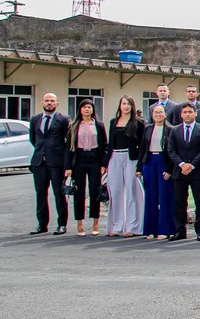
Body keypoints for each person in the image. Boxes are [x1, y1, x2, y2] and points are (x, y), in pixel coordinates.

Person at [166, 103, 200, 242]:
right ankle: (180, 230)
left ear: (195, 113)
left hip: (197, 172)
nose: (187, 114)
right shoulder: (175, 130)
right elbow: (171, 150)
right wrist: (182, 164)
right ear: (181, 114)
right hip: (179, 172)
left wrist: (191, 165)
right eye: (185, 112)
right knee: (179, 202)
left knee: (199, 201)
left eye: (190, 111)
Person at [64, 98, 107, 237]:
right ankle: (79, 223)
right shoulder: (73, 125)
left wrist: (103, 164)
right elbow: (68, 149)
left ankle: (95, 222)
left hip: (94, 159)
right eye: (84, 107)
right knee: (79, 192)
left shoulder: (99, 125)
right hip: (79, 159)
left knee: (95, 191)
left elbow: (104, 146)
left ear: (93, 109)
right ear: (80, 110)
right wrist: (68, 167)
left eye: (89, 107)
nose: (87, 109)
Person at [29, 92, 70, 235]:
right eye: (47, 100)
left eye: (52, 100)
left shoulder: (64, 119)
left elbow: (68, 141)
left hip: (57, 162)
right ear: (42, 103)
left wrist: (66, 162)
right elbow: (33, 139)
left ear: (57, 103)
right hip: (39, 162)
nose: (49, 103)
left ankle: (62, 224)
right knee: (40, 194)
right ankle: (42, 224)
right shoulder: (35, 119)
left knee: (59, 193)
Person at [105, 96, 145, 237]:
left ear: (132, 106)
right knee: (115, 192)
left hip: (131, 158)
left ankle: (132, 226)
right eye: (123, 103)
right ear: (120, 105)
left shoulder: (139, 123)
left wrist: (139, 165)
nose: (126, 106)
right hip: (114, 157)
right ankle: (117, 225)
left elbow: (142, 145)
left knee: (131, 191)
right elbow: (109, 144)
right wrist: (105, 163)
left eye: (129, 104)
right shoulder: (113, 122)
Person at [137, 104, 174, 240]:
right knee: (150, 197)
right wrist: (139, 168)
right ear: (152, 115)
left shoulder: (170, 130)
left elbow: (172, 151)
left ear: (165, 114)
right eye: (155, 113)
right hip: (149, 162)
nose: (158, 115)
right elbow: (142, 148)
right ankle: (150, 229)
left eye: (160, 112)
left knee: (164, 197)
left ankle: (165, 229)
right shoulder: (147, 129)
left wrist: (169, 169)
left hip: (163, 163)